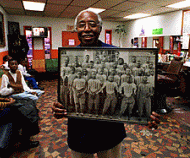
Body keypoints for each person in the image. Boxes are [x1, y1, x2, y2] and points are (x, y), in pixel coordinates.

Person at [52, 10, 160, 158]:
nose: (87, 29)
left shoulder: (116, 53)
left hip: (110, 131)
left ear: (100, 28)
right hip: (79, 131)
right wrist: (59, 106)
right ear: (76, 29)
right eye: (82, 25)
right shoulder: (67, 56)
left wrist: (149, 114)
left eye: (92, 24)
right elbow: (66, 89)